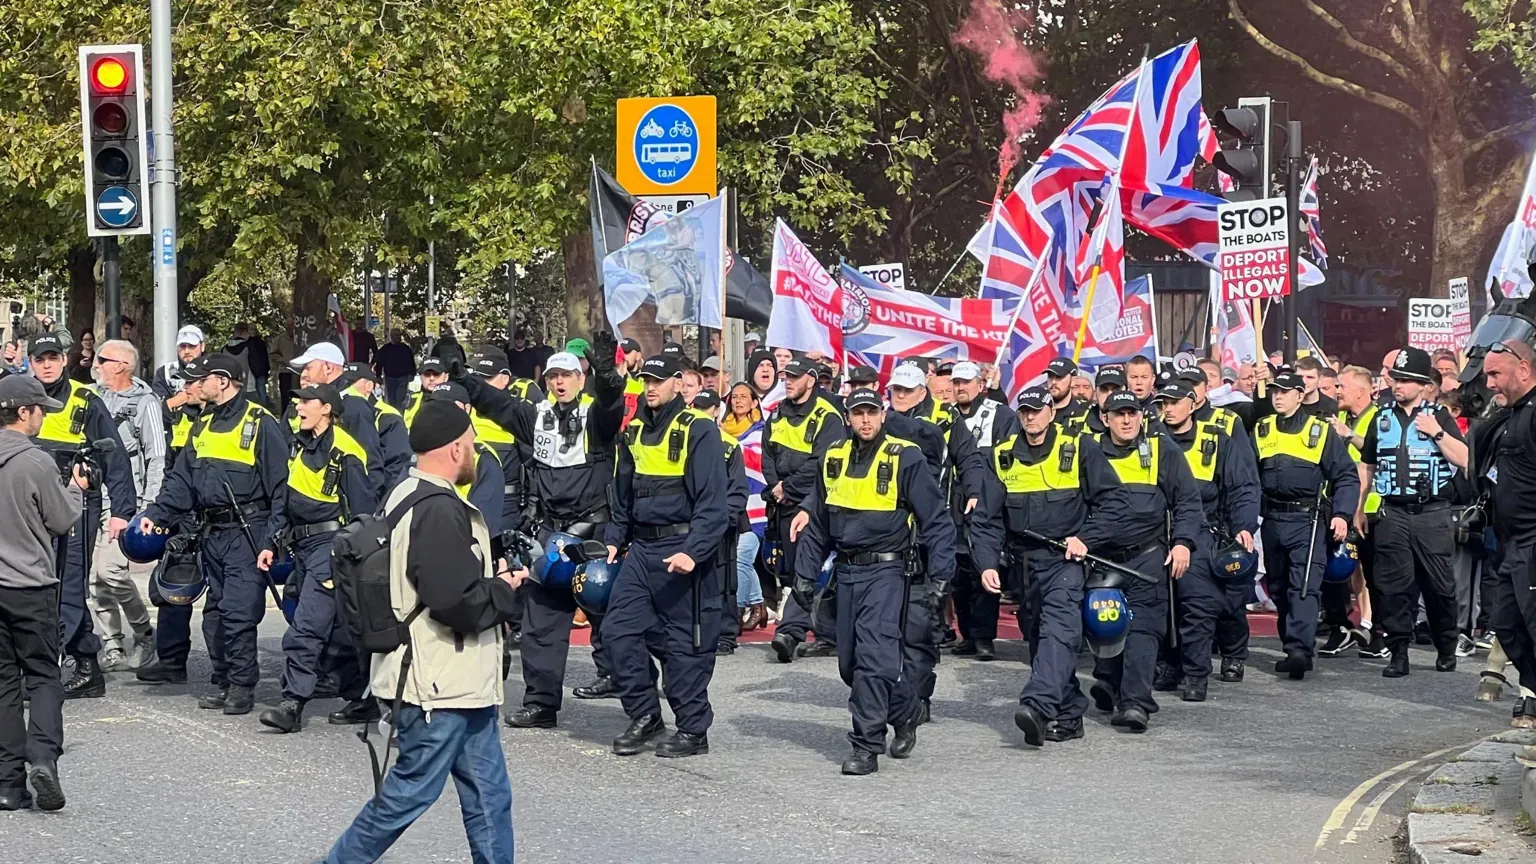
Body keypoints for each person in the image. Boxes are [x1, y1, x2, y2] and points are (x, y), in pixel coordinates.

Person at [321, 399, 520, 863]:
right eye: (471, 444)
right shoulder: (438, 509)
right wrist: (507, 589)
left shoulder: (404, 492)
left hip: (461, 683)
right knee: (406, 797)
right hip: (436, 683)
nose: (475, 453)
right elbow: (454, 602)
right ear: (454, 449)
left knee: (490, 800)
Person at [462, 337, 630, 723]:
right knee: (540, 623)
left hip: (593, 533)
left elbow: (611, 407)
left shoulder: (594, 418)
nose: (559, 382)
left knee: (614, 620)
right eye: (553, 375)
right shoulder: (534, 415)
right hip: (549, 534)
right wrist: (463, 377)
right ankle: (541, 702)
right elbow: (495, 403)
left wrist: (608, 377)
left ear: (579, 378)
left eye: (567, 375)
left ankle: (637, 698)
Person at [788, 388, 955, 773]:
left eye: (871, 413)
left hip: (888, 571)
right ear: (848, 417)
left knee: (874, 661)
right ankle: (906, 708)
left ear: (882, 415)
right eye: (857, 413)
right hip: (846, 571)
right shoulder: (833, 458)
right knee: (849, 666)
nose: (865, 420)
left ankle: (865, 745)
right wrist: (804, 576)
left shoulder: (905, 457)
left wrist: (941, 578)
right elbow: (818, 526)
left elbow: (937, 521)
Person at [970, 386, 1127, 746]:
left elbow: (1115, 501)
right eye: (1024, 411)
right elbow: (986, 519)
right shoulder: (1002, 455)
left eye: (1037, 410)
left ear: (1051, 412)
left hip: (1064, 560)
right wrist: (987, 562)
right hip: (1023, 564)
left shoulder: (1078, 446)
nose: (1030, 417)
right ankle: (1070, 712)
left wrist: (1086, 538)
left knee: (1059, 632)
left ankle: (1037, 705)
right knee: (1040, 641)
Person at [138, 353, 289, 716]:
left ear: (222, 381)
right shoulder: (202, 423)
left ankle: (241, 684)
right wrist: (158, 513)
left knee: (238, 612)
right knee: (216, 614)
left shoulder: (259, 423)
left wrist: (272, 539)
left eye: (201, 379)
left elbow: (281, 486)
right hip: (212, 531)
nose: (194, 385)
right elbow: (182, 480)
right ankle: (223, 679)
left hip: (247, 530)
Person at [604, 353, 729, 758]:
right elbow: (623, 494)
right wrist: (613, 538)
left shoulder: (699, 430)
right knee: (617, 633)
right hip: (641, 549)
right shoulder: (635, 430)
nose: (651, 387)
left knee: (684, 648)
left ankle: (693, 730)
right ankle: (645, 714)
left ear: (679, 382)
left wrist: (694, 552)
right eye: (645, 380)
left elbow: (714, 503)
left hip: (682, 550)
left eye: (659, 380)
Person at [256, 383, 378, 733]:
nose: (298, 406)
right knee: (339, 631)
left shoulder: (346, 452)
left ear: (326, 408)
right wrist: (269, 542)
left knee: (306, 625)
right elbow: (284, 498)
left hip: (333, 546)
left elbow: (363, 514)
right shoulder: (297, 444)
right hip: (302, 546)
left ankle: (292, 704)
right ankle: (363, 696)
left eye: (306, 401)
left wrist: (354, 560)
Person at [26, 333, 135, 699]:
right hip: (29, 504)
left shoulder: (84, 399)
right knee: (36, 587)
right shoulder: (18, 399)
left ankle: (56, 670)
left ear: (64, 359)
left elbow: (114, 457)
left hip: (75, 502)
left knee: (69, 586)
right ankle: (81, 663)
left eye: (53, 357)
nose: (47, 364)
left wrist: (122, 511)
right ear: (30, 362)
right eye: (40, 358)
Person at [1086, 390, 1202, 731]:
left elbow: (1187, 501)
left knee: (1144, 628)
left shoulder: (1161, 449)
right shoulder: (1089, 451)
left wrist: (1183, 543)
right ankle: (1109, 680)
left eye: (1132, 413)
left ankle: (1135, 702)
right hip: (1102, 557)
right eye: (1119, 414)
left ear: (1141, 416)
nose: (1126, 420)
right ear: (1105, 418)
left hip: (1148, 555)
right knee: (1104, 624)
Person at [0, 375, 85, 811]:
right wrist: (77, 489)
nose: (42, 418)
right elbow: (61, 519)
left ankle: (7, 784)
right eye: (39, 411)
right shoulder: (35, 463)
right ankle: (43, 757)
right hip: (29, 585)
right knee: (43, 676)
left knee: (2, 685)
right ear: (22, 413)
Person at [1358, 347, 1468, 677]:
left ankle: (1446, 644)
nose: (1398, 385)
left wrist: (1436, 431)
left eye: (1406, 380)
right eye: (1396, 379)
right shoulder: (1382, 417)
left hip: (1433, 514)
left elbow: (1464, 459)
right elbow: (1368, 465)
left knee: (1440, 587)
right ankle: (1398, 652)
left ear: (1423, 385)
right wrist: (1360, 508)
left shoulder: (1440, 416)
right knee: (1393, 587)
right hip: (1392, 512)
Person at [1154, 382, 1260, 701]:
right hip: (1156, 534)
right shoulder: (1149, 440)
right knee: (1159, 607)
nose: (1168, 409)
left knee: (1197, 607)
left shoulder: (1216, 438)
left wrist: (1243, 526)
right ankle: (1169, 665)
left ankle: (1196, 674)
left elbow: (1241, 486)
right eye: (1163, 404)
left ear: (1191, 403)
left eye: (1174, 403)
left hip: (1201, 534)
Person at [1252, 372, 1360, 680]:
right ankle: (1293, 643)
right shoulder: (1261, 430)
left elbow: (1346, 477)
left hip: (1307, 520)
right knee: (1277, 586)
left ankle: (1299, 650)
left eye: (1286, 392)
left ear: (1301, 395)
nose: (1278, 397)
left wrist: (1341, 514)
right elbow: (1246, 478)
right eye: (1275, 391)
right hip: (1272, 519)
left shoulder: (1319, 431)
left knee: (1303, 587)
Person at [88, 339, 165, 673]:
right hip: (93, 497)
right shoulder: (92, 397)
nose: (96, 363)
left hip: (126, 501)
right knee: (93, 579)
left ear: (122, 365)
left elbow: (157, 456)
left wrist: (149, 505)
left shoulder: (145, 402)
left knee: (111, 571)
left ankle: (145, 632)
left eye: (102, 359)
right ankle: (112, 643)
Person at [764, 357, 847, 662]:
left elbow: (825, 463)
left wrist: (789, 488)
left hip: (817, 503)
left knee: (807, 567)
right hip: (784, 505)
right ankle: (819, 632)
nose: (788, 381)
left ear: (811, 381)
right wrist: (777, 487)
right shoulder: (776, 415)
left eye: (795, 377)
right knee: (799, 570)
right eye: (786, 376)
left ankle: (791, 630)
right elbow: (767, 455)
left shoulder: (828, 416)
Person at [948, 361, 1019, 659]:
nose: (961, 388)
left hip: (987, 499)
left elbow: (1010, 455)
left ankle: (984, 636)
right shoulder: (946, 417)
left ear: (980, 384)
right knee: (957, 572)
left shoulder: (999, 414)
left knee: (985, 566)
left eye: (967, 382)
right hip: (952, 501)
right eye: (957, 383)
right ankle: (966, 633)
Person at [1323, 365, 1387, 659]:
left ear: (1361, 391)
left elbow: (1376, 454)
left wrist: (1348, 435)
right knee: (1336, 570)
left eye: (1342, 387)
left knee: (1374, 575)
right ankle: (1343, 626)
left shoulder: (1379, 418)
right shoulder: (1341, 418)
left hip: (1370, 509)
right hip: (1339, 505)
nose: (1337, 391)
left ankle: (1376, 631)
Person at [287, 342, 386, 498]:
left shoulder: (353, 407)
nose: (303, 375)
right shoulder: (297, 404)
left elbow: (370, 466)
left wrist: (364, 517)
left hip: (340, 512)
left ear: (328, 368)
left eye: (308, 367)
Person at [340, 363, 412, 490]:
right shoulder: (341, 410)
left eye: (352, 383)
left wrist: (381, 497)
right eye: (345, 382)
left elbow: (397, 464)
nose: (347, 388)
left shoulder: (387, 416)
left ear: (369, 386)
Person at [152, 325, 207, 436]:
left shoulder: (214, 369)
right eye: (182, 346)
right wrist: (183, 397)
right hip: (173, 436)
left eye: (192, 346)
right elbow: (157, 410)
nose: (186, 351)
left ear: (202, 346)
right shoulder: (165, 372)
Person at [374, 328, 417, 408]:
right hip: (390, 377)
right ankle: (392, 415)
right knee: (391, 400)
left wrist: (413, 373)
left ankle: (399, 415)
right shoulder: (385, 349)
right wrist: (378, 375)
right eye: (396, 335)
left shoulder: (406, 349)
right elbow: (379, 363)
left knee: (400, 399)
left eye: (399, 335)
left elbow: (411, 362)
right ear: (391, 336)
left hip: (403, 377)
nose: (399, 337)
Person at [1045, 357, 1088, 425]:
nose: (1053, 382)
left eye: (1059, 377)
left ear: (1073, 381)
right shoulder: (1035, 409)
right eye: (1050, 376)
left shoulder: (1085, 412)